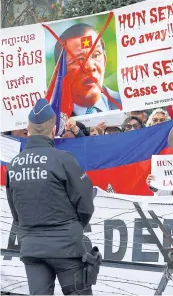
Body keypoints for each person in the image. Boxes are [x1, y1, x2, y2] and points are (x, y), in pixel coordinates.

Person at [6, 99, 95, 295]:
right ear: (54, 130)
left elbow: (15, 210)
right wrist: (74, 226)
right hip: (67, 247)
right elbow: (86, 201)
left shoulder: (14, 164)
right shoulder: (63, 159)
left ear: (28, 130)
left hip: (32, 248)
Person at [54, 23, 122, 115]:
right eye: (79, 60)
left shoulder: (127, 103)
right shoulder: (53, 117)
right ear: (60, 71)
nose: (90, 67)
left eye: (96, 55)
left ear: (105, 61)